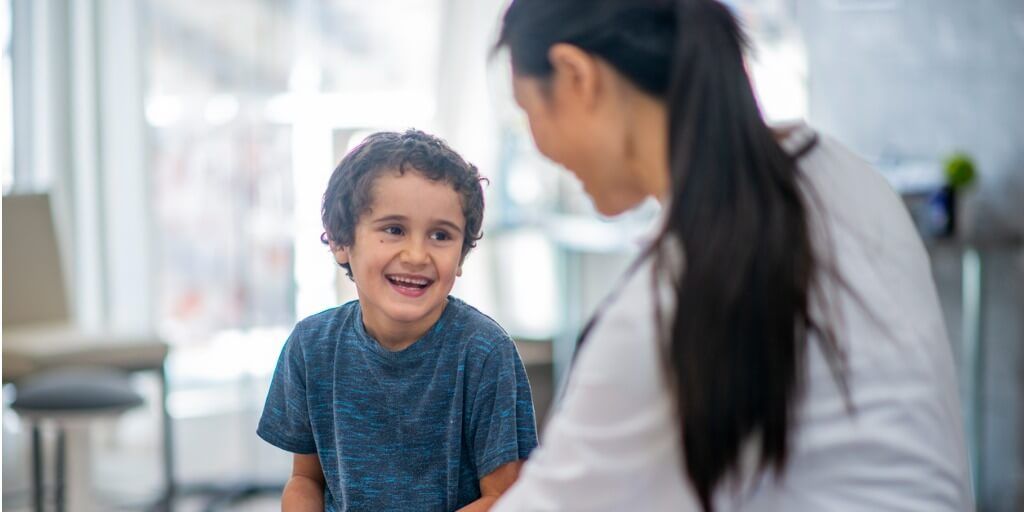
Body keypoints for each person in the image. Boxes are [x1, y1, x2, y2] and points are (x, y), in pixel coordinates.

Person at [491, 0, 973, 510]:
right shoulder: (851, 179)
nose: (540, 149)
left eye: (529, 114)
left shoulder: (666, 305)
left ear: (576, 77)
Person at [258, 129, 538, 511]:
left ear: (460, 256)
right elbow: (306, 478)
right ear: (341, 241)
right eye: (394, 230)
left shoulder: (485, 352)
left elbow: (505, 498)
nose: (416, 254)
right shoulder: (311, 346)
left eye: (440, 235)